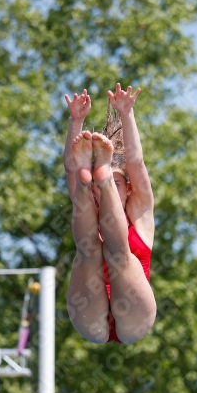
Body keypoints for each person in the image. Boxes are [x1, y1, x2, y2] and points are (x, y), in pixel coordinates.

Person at [64, 83, 156, 344]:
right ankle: (97, 176)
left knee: (119, 253)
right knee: (88, 251)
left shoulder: (140, 211)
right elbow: (71, 169)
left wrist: (127, 114)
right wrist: (76, 120)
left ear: (127, 187)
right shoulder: (87, 206)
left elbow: (135, 162)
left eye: (113, 185)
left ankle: (101, 176)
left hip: (133, 316)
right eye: (95, 185)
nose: (100, 194)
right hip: (91, 316)